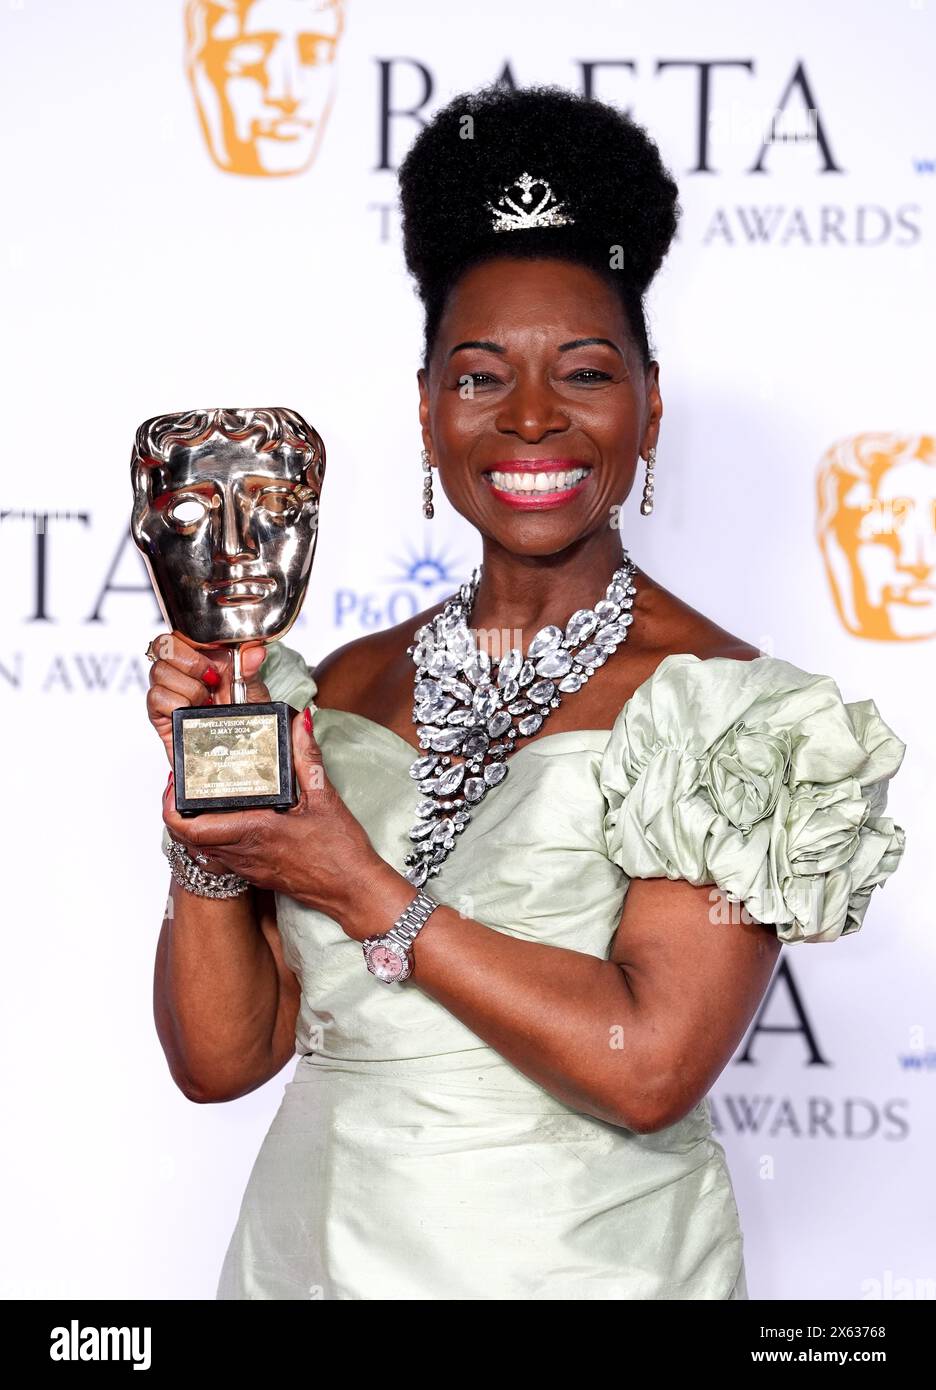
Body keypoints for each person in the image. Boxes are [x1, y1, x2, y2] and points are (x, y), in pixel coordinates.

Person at [147, 83, 908, 1301]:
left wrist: (356, 879)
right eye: (482, 375)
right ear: (427, 407)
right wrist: (204, 829)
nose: (534, 419)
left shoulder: (731, 715)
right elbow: (223, 1057)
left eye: (587, 371)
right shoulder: (336, 686)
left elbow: (651, 1063)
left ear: (651, 408)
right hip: (305, 1267)